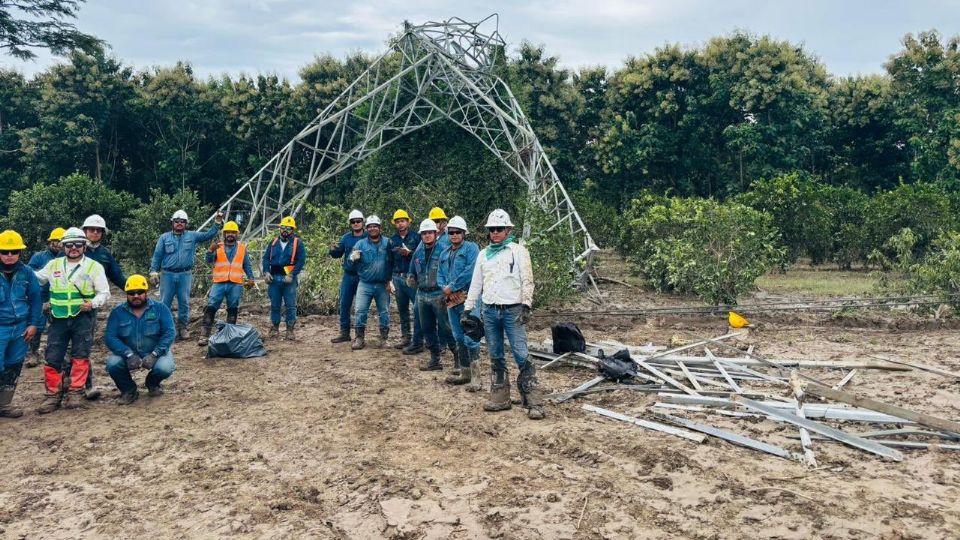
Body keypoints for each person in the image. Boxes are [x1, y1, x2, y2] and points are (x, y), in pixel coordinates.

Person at [464, 209, 542, 419]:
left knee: (521, 353)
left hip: (513, 310)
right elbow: (476, 284)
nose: (495, 232)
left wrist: (526, 304)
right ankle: (500, 396)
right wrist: (468, 309)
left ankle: (533, 400)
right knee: (495, 353)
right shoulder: (483, 254)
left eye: (499, 229)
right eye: (492, 229)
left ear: (508, 230)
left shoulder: (518, 251)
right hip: (489, 311)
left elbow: (527, 280)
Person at [33, 227, 111, 413]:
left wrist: (92, 303)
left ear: (84, 246)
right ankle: (52, 395)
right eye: (69, 245)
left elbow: (104, 292)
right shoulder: (53, 265)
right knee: (53, 357)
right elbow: (36, 279)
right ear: (63, 246)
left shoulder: (93, 266)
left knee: (80, 355)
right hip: (58, 318)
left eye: (78, 244)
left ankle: (76, 393)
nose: (73, 248)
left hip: (82, 318)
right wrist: (17, 267)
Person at [149, 209, 224, 340]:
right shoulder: (164, 238)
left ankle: (183, 327)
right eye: (177, 221)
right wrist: (153, 271)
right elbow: (157, 255)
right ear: (172, 223)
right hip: (167, 274)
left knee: (184, 302)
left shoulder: (192, 236)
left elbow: (208, 235)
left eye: (182, 221)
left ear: (186, 223)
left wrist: (217, 222)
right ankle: (168, 328)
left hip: (185, 275)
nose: (179, 223)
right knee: (165, 302)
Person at [104, 275, 177, 404]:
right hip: (127, 353)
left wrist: (155, 354)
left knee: (165, 367)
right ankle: (129, 390)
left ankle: (152, 383)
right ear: (126, 294)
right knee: (113, 364)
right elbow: (110, 337)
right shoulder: (117, 312)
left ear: (146, 292)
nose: (136, 296)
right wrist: (128, 354)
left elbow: (169, 333)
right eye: (131, 293)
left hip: (155, 351)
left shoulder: (160, 309)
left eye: (140, 292)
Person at [78, 214, 126, 400]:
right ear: (85, 231)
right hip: (65, 306)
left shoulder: (104, 254)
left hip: (90, 306)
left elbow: (117, 276)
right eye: (92, 229)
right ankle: (65, 385)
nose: (95, 233)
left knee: (83, 345)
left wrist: (134, 289)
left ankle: (86, 385)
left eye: (99, 230)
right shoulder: (72, 248)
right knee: (63, 347)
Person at [0, 230, 43, 418]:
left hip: (20, 327)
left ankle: (4, 405)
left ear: (20, 252)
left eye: (14, 251)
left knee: (14, 365)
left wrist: (33, 324)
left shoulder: (27, 273)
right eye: (4, 251)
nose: (9, 255)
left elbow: (36, 300)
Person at [438, 216, 482, 390]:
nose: (454, 235)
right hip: (451, 299)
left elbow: (470, 271)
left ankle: (476, 377)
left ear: (464, 233)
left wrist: (452, 286)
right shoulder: (444, 253)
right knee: (458, 336)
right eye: (451, 232)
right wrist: (444, 287)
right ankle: (465, 372)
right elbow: (440, 274)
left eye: (457, 232)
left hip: (468, 297)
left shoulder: (472, 248)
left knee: (471, 335)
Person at [407, 218, 454, 371]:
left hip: (438, 294)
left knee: (446, 327)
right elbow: (412, 269)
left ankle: (458, 359)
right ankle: (435, 360)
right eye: (424, 233)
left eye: (430, 233)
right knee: (427, 328)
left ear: (435, 234)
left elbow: (450, 271)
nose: (427, 236)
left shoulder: (444, 250)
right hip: (422, 294)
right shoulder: (418, 252)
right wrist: (410, 277)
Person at [198, 221, 255, 346]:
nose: (230, 234)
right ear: (224, 234)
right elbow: (208, 260)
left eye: (233, 232)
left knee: (233, 308)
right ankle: (204, 335)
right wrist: (210, 251)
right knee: (211, 306)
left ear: (237, 234)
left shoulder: (242, 248)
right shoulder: (218, 247)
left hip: (235, 283)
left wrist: (251, 278)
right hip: (219, 282)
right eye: (228, 232)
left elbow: (246, 265)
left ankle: (229, 336)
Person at [346, 215, 393, 349]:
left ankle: (384, 339)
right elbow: (350, 262)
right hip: (365, 283)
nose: (373, 229)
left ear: (380, 228)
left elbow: (393, 262)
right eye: (370, 226)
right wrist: (352, 258)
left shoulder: (388, 243)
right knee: (360, 310)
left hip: (383, 284)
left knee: (384, 312)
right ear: (366, 229)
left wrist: (390, 280)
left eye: (375, 226)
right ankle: (359, 338)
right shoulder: (360, 244)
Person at [262, 216, 307, 340]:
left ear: (293, 230)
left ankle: (290, 330)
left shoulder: (297, 243)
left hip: (289, 280)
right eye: (283, 228)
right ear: (280, 228)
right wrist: (266, 272)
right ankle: (274, 328)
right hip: (274, 278)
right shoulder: (273, 243)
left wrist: (292, 274)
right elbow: (266, 258)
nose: (285, 230)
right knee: (275, 304)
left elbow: (301, 261)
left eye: (289, 228)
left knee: (290, 305)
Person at [25, 227, 64, 367]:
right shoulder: (39, 257)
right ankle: (33, 353)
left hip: (59, 299)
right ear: (50, 242)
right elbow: (29, 275)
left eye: (61, 241)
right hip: (40, 298)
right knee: (37, 326)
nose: (59, 244)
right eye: (56, 241)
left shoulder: (68, 259)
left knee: (59, 328)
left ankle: (59, 355)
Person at [328, 209, 367, 344]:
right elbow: (337, 254)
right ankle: (344, 332)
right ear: (350, 223)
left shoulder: (368, 237)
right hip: (348, 276)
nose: (356, 224)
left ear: (363, 222)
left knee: (361, 307)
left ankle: (359, 334)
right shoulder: (346, 238)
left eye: (358, 221)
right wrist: (333, 250)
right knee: (344, 304)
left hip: (363, 277)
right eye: (353, 222)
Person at [387, 209, 423, 353]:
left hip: (412, 277)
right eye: (397, 222)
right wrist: (388, 280)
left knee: (418, 309)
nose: (400, 224)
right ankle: (405, 337)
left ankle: (419, 339)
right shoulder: (392, 240)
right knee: (402, 309)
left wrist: (410, 253)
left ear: (408, 222)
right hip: (397, 277)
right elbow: (389, 261)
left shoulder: (416, 237)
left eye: (402, 221)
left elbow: (421, 256)